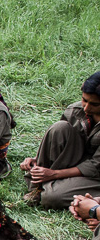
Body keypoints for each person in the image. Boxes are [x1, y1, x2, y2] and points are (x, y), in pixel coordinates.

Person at [21, 71, 100, 208]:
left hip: (96, 174)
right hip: (77, 160)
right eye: (84, 100)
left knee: (52, 197)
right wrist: (37, 158)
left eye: (94, 104)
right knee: (59, 127)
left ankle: (49, 187)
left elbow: (95, 165)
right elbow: (58, 140)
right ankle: (37, 185)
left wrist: (54, 174)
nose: (86, 107)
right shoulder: (75, 110)